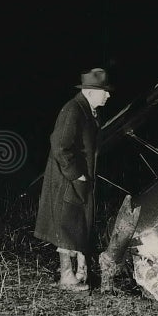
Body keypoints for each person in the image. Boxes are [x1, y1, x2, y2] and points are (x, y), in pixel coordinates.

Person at [34, 68, 112, 291]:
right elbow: (59, 146)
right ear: (89, 92)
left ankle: (80, 273)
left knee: (78, 225)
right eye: (104, 91)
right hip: (67, 180)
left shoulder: (89, 111)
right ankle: (67, 278)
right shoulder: (73, 110)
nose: (108, 95)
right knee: (67, 227)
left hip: (80, 181)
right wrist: (76, 174)